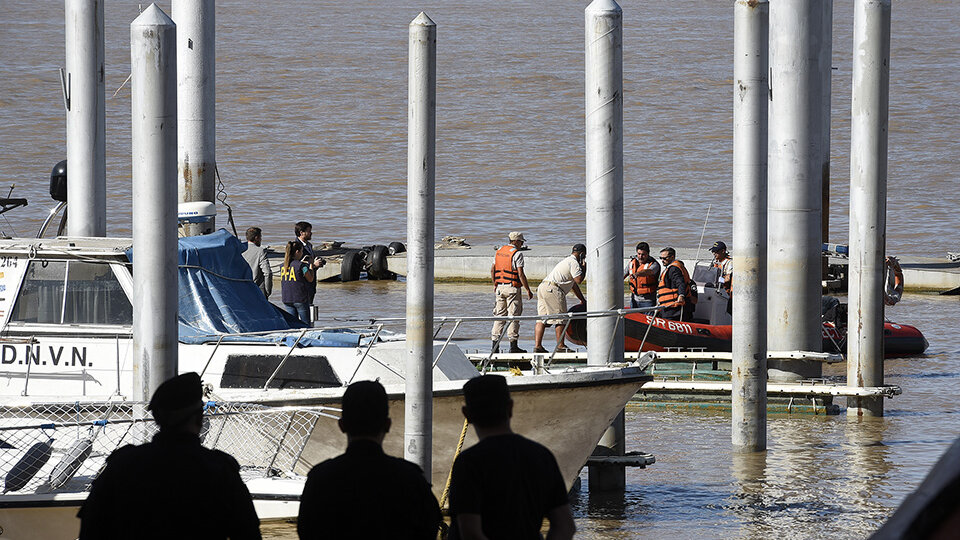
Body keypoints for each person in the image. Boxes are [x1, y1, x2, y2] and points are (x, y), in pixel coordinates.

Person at [78, 373, 261, 539]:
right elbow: (248, 533)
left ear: (157, 418)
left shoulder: (123, 464)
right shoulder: (219, 470)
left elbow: (91, 527)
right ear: (199, 418)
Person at [297, 381, 441, 540]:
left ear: (342, 425)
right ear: (387, 425)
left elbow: (306, 531)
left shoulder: (320, 479)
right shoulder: (412, 479)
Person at [448, 375, 575, 540]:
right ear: (510, 408)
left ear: (467, 414)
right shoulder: (542, 456)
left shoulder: (468, 463)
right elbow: (565, 526)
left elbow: (471, 532)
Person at [534, 244, 586, 354]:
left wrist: (582, 300)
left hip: (543, 287)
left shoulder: (566, 261)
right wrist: (584, 267)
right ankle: (561, 346)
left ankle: (538, 346)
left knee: (542, 319)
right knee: (561, 318)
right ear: (582, 254)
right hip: (553, 289)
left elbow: (573, 285)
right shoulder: (574, 263)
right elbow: (578, 280)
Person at [490, 231, 534, 354]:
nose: (521, 244)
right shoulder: (517, 254)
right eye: (521, 242)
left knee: (499, 317)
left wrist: (495, 283)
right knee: (513, 317)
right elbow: (520, 273)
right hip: (512, 289)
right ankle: (513, 346)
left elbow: (493, 269)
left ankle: (495, 347)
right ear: (516, 241)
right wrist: (528, 290)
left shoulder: (499, 251)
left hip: (499, 288)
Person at [281, 240, 322, 324]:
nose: (302, 253)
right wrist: (311, 266)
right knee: (305, 324)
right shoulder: (302, 266)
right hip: (300, 298)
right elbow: (310, 278)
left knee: (292, 324)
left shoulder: (282, 266)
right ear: (297, 252)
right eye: (302, 251)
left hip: (287, 298)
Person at [657, 247, 694, 322]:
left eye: (665, 258)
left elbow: (680, 282)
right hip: (669, 306)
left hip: (674, 308)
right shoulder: (672, 268)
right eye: (661, 258)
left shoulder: (674, 269)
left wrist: (681, 295)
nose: (662, 260)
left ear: (672, 257)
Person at [623, 241, 660, 309]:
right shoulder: (632, 263)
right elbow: (623, 274)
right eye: (639, 254)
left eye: (643, 254)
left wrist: (637, 274)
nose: (640, 257)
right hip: (634, 299)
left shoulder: (654, 265)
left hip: (648, 301)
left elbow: (649, 272)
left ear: (648, 254)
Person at [294, 221, 323, 304]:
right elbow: (297, 265)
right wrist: (313, 265)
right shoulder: (295, 246)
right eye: (309, 231)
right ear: (301, 233)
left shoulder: (309, 245)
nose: (311, 233)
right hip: (302, 284)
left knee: (310, 305)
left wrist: (317, 263)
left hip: (311, 282)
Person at [242, 227, 273, 298]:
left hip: (242, 288)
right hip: (257, 288)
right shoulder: (260, 251)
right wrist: (267, 291)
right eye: (260, 237)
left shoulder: (240, 249)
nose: (261, 240)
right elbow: (267, 272)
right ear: (256, 238)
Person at [710, 240, 733, 315]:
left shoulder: (729, 263)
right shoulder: (716, 262)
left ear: (723, 251)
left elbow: (729, 278)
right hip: (717, 290)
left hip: (726, 294)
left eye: (716, 252)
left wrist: (720, 280)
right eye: (713, 252)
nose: (714, 254)